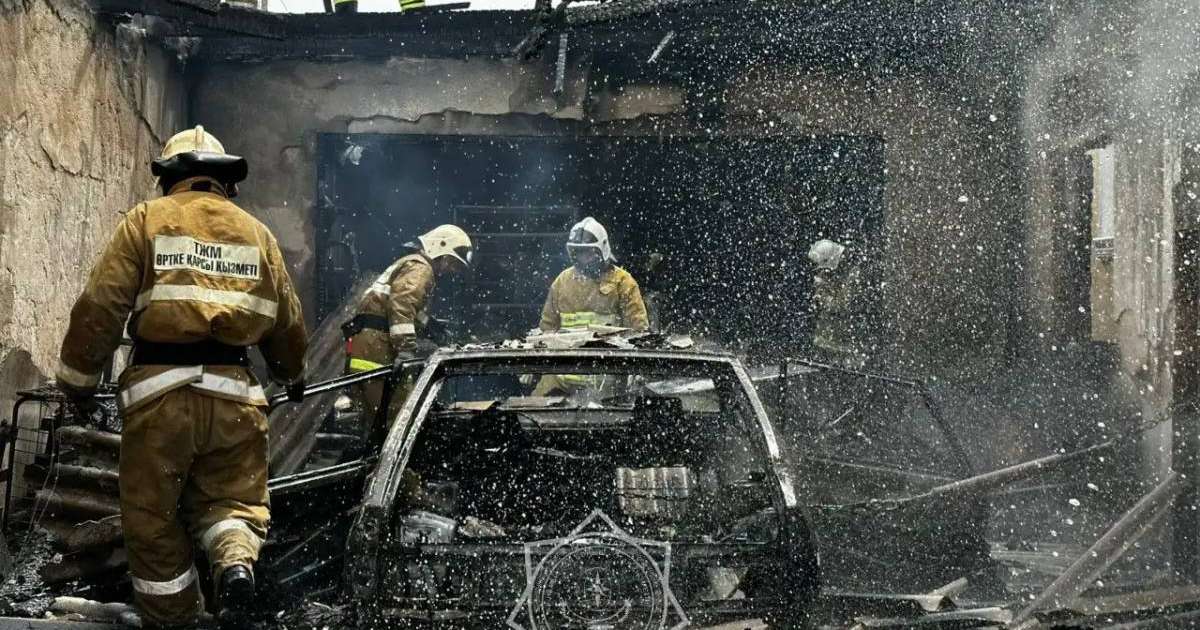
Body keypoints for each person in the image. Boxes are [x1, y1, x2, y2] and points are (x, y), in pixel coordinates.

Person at [55, 126, 308, 625]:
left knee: (153, 521)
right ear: (225, 184)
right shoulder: (258, 234)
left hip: (159, 398)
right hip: (235, 398)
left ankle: (178, 617)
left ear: (169, 179)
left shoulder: (145, 221)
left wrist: (77, 381)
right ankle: (234, 562)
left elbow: (100, 307)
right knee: (233, 504)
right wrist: (291, 373)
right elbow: (288, 322)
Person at [342, 225, 472, 430]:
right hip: (379, 348)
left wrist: (431, 328)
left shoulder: (410, 264)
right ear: (440, 247)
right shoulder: (421, 268)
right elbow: (402, 304)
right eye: (452, 262)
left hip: (367, 347)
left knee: (378, 423)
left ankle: (377, 459)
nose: (451, 270)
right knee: (401, 419)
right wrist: (406, 349)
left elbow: (400, 306)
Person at [532, 217, 648, 395]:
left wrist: (634, 371)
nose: (582, 258)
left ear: (602, 250)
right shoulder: (562, 282)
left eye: (587, 252)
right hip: (561, 377)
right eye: (577, 253)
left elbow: (638, 332)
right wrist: (535, 362)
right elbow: (547, 328)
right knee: (534, 409)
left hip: (606, 378)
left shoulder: (623, 282)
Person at [808, 238, 870, 369]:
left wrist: (824, 296)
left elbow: (844, 305)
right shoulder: (830, 274)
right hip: (830, 338)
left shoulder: (854, 275)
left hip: (845, 339)